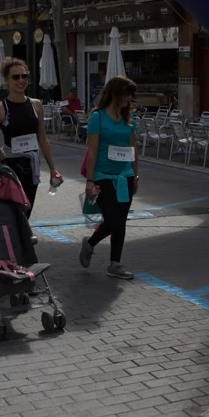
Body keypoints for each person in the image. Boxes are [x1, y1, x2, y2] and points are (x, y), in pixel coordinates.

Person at [79, 75, 139, 280]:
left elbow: (133, 149)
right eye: (126, 94)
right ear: (115, 93)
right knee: (113, 220)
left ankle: (115, 264)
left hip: (125, 176)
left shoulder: (129, 120)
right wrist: (89, 179)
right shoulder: (98, 117)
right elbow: (92, 150)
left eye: (131, 95)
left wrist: (136, 174)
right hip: (103, 176)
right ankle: (90, 243)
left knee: (120, 221)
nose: (129, 99)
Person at [0, 58, 61, 218]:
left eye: (24, 76)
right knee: (13, 216)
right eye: (15, 77)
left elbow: (43, 139)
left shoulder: (36, 105)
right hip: (10, 168)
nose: (21, 80)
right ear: (6, 80)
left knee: (26, 214)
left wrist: (53, 169)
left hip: (31, 167)